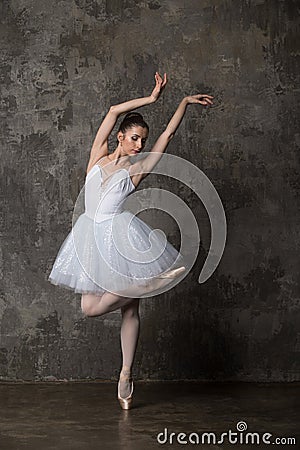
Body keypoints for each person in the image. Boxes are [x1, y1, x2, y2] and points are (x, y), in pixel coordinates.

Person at [48, 72, 214, 409]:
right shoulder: (97, 156)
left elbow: (167, 135)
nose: (139, 145)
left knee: (130, 312)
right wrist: (151, 99)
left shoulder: (135, 171)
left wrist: (182, 103)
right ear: (121, 136)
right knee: (90, 308)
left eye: (142, 140)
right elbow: (112, 111)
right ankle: (146, 284)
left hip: (121, 236)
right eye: (135, 138)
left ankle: (125, 374)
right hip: (91, 237)